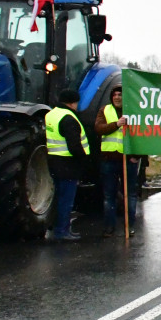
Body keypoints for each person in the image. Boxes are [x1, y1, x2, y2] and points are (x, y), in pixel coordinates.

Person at [95, 86, 142, 237]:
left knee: (131, 195)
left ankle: (130, 226)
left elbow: (143, 134)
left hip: (128, 160)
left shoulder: (133, 110)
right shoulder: (105, 110)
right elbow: (99, 128)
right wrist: (116, 124)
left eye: (120, 95)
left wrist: (138, 155)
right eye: (114, 95)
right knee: (109, 195)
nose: (117, 97)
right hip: (109, 160)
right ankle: (109, 227)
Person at [44, 89, 90, 240]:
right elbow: (74, 146)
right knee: (66, 200)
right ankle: (62, 231)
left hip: (54, 162)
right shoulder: (69, 118)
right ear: (72, 102)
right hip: (68, 165)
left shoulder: (51, 114)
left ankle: (57, 227)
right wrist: (84, 160)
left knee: (59, 197)